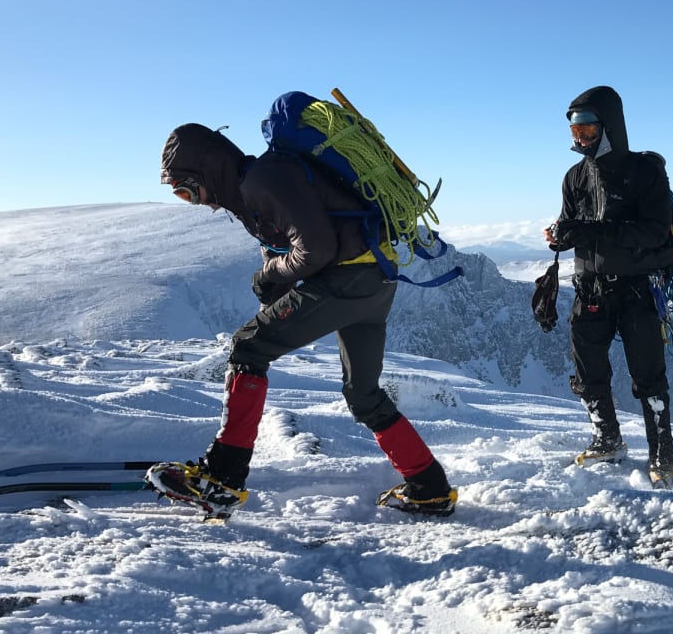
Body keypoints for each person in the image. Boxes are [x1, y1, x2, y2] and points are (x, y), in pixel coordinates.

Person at [147, 123, 457, 518]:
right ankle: (429, 487)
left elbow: (317, 249)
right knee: (363, 395)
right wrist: (276, 281)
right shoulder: (251, 190)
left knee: (248, 347)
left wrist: (271, 274)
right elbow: (293, 244)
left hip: (346, 279)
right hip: (375, 281)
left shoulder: (263, 180)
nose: (195, 202)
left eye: (187, 191)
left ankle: (223, 477)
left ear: (207, 171)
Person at [543, 85, 673, 488]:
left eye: (586, 126)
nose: (579, 135)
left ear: (609, 125)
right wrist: (560, 237)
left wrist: (593, 231)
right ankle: (607, 439)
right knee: (588, 373)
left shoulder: (644, 172)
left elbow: (655, 232)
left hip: (636, 287)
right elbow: (574, 228)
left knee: (648, 376)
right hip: (588, 288)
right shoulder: (574, 177)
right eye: (574, 129)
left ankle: (662, 458)